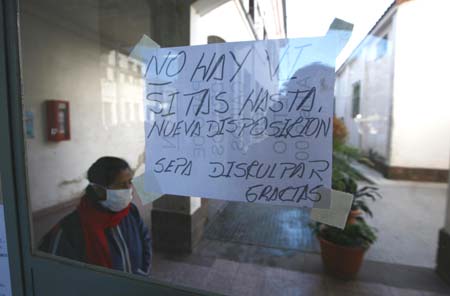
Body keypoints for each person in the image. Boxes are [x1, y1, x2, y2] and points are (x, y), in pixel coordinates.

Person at [39, 156, 152, 276]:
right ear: (98, 189)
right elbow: (56, 274)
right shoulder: (69, 229)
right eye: (121, 184)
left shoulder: (131, 213)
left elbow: (145, 241)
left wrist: (142, 275)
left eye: (130, 181)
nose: (129, 188)